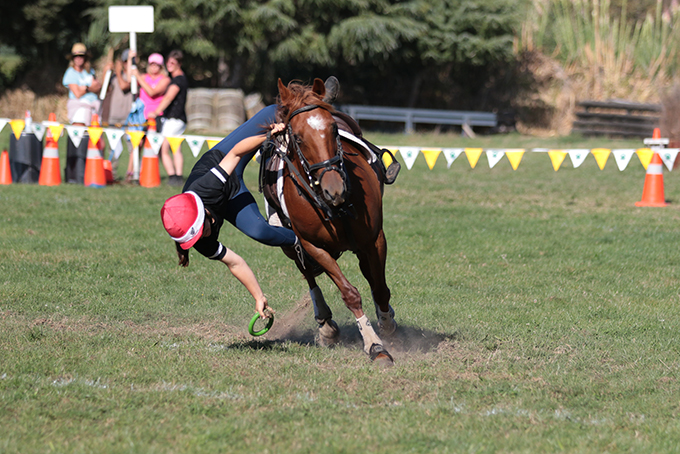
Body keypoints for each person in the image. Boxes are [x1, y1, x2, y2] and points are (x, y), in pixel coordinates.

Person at [160, 123, 293, 318]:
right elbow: (235, 263)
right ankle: (301, 240)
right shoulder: (200, 243)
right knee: (259, 231)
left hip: (225, 158)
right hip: (231, 197)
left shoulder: (206, 187)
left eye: (199, 230)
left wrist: (268, 136)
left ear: (201, 213)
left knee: (274, 111)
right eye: (195, 237)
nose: (201, 237)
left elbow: (236, 153)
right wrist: (258, 296)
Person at [148, 50, 188, 186]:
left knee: (163, 147)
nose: (169, 65)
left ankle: (173, 176)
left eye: (173, 63)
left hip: (174, 119)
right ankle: (177, 176)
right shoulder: (180, 78)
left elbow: (169, 97)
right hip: (178, 119)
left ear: (179, 64)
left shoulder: (178, 80)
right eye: (168, 62)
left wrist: (156, 112)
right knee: (175, 148)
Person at [101, 49, 133, 178]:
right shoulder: (114, 77)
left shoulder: (133, 77)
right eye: (124, 62)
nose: (126, 65)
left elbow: (124, 85)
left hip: (129, 118)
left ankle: (131, 175)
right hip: (114, 117)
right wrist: (106, 72)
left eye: (128, 62)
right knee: (113, 147)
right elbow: (104, 90)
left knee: (132, 147)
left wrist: (118, 72)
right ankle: (111, 174)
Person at [62, 43, 102, 125]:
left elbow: (98, 87)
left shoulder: (90, 72)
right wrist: (89, 88)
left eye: (81, 56)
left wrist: (84, 88)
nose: (78, 58)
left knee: (95, 135)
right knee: (80, 134)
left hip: (93, 107)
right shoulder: (70, 72)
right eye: (76, 56)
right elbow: (77, 93)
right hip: (79, 108)